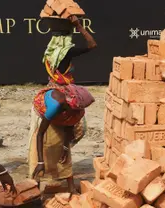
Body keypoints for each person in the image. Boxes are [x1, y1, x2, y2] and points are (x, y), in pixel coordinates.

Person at [29, 15, 97, 193]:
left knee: (50, 139)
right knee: (66, 132)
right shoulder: (67, 52)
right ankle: (63, 184)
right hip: (58, 97)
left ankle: (39, 181)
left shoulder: (49, 53)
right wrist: (79, 26)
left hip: (51, 94)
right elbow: (92, 45)